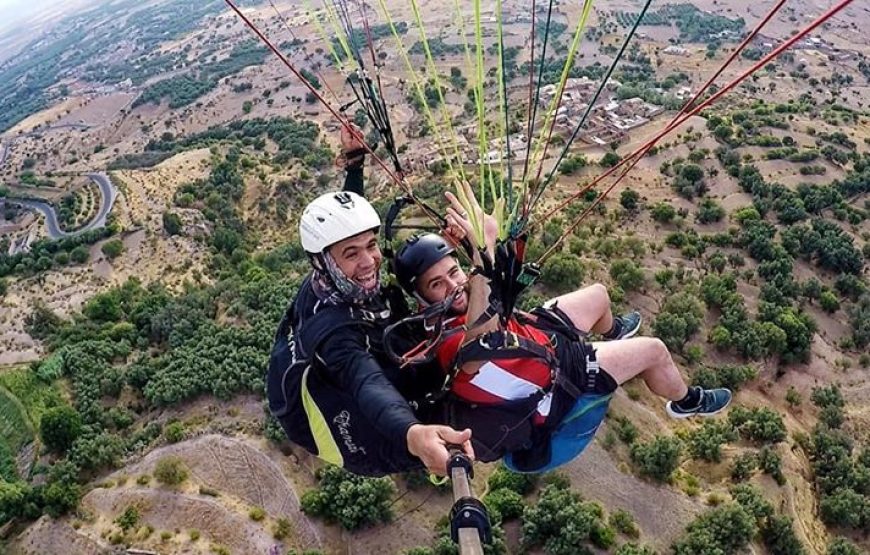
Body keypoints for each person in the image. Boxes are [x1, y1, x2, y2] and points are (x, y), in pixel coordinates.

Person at [392, 189, 732, 472]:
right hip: (557, 383)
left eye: (454, 272)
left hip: (536, 337)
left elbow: (489, 287)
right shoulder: (445, 341)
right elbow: (484, 341)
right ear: (422, 298)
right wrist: (484, 255)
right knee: (654, 350)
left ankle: (614, 335)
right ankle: (686, 400)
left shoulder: (467, 294)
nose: (454, 285)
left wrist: (476, 242)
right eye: (438, 284)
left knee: (598, 295)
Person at [266, 126, 473, 477]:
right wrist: (414, 434)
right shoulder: (334, 334)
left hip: (363, 364)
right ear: (325, 261)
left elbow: (345, 231)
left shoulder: (333, 274)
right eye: (352, 254)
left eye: (371, 246)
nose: (368, 261)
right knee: (459, 405)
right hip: (359, 434)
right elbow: (367, 383)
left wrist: (355, 167)